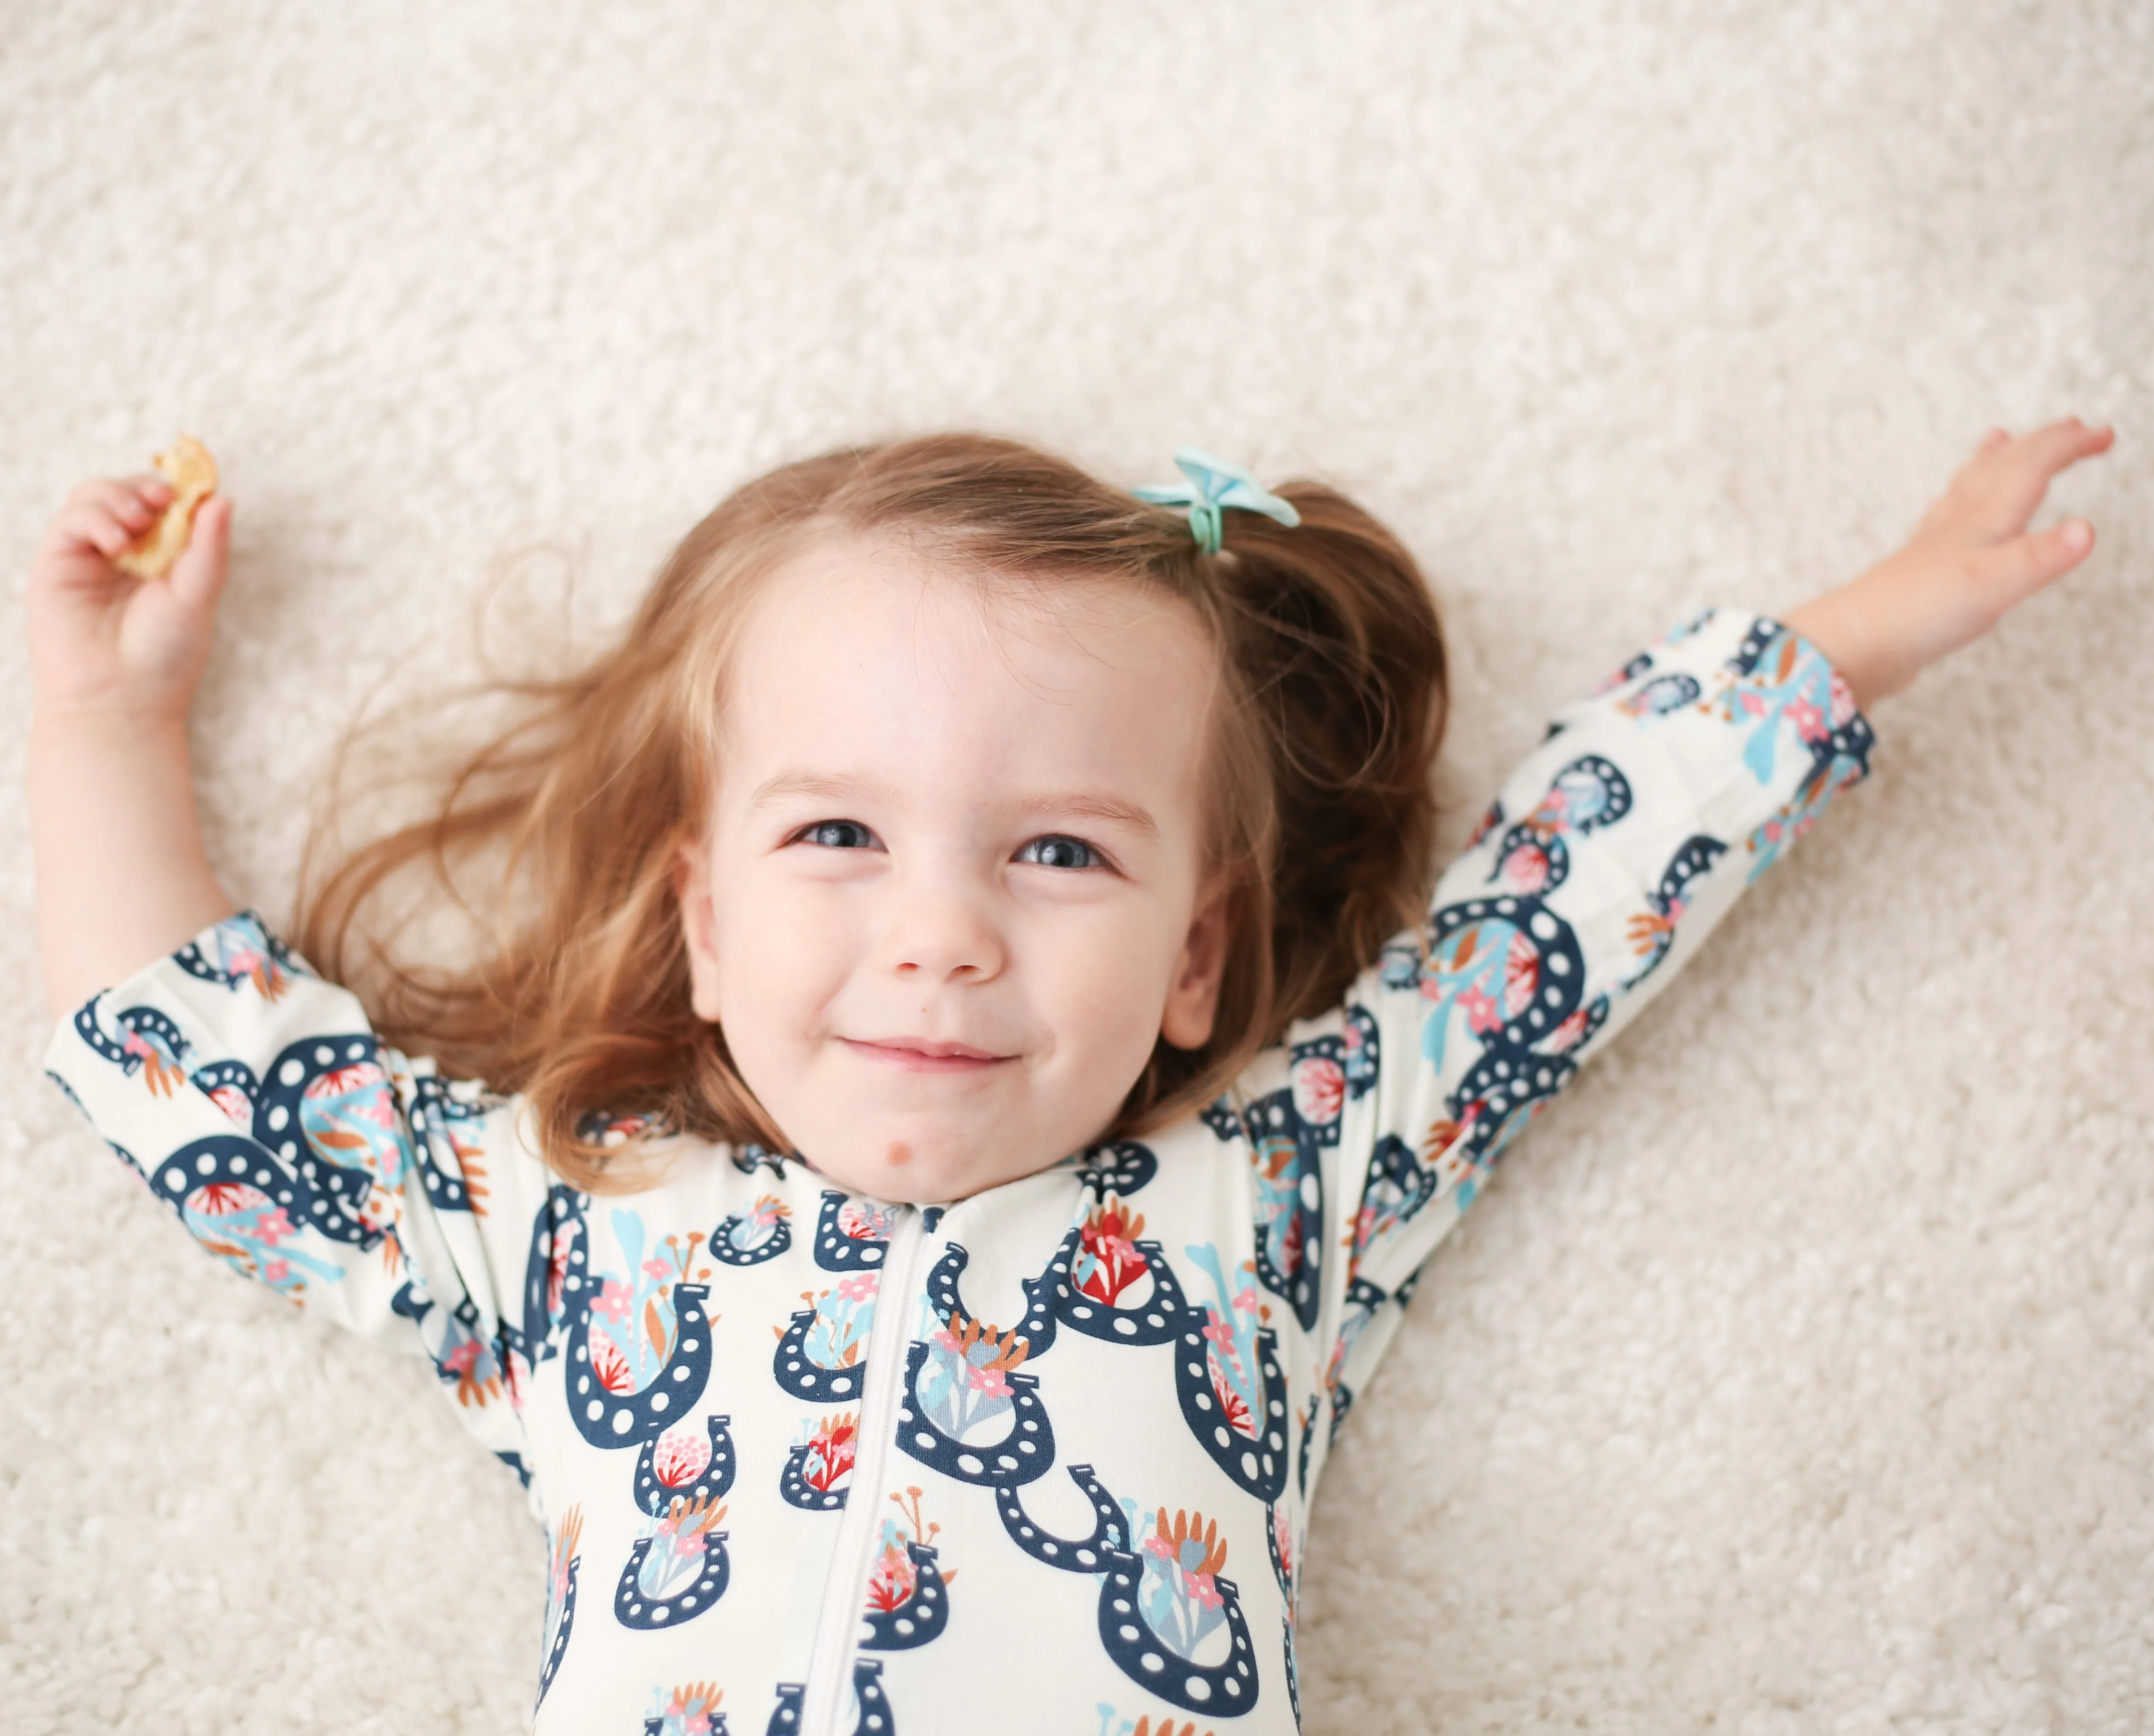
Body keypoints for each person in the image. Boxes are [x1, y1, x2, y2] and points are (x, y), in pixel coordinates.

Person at [28, 421, 2114, 1736]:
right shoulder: (565, 1222)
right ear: (701, 921)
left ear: (1198, 950)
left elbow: (1551, 928)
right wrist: (102, 727)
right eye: (838, 835)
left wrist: (1875, 624)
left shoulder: (1278, 1182)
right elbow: (218, 1071)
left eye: (1058, 852)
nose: (943, 929)